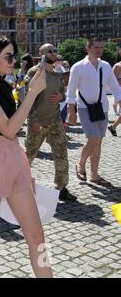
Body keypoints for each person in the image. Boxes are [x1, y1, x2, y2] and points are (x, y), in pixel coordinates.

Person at [0, 34, 53, 278]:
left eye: (14, 55)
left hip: (13, 158)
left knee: (37, 235)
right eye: (8, 56)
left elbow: (11, 132)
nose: (13, 60)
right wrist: (32, 94)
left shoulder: (3, 85)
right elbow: (8, 128)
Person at [24, 43, 75, 201]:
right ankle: (16, 186)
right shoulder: (35, 72)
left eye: (54, 51)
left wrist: (62, 97)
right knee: (28, 157)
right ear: (41, 54)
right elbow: (27, 99)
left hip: (55, 121)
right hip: (37, 123)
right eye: (50, 51)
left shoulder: (56, 73)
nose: (53, 53)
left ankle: (62, 187)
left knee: (61, 155)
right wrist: (33, 120)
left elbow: (62, 93)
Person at [67, 38, 121, 187]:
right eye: (96, 47)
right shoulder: (78, 67)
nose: (99, 50)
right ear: (88, 49)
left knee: (98, 142)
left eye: (101, 48)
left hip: (102, 107)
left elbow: (115, 88)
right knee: (94, 138)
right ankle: (80, 164)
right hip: (84, 107)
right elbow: (70, 92)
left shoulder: (105, 66)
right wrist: (72, 112)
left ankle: (94, 175)